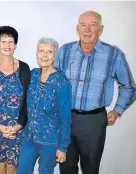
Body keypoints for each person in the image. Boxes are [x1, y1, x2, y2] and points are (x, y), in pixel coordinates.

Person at [54, 11, 136, 174]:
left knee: (90, 168)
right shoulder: (64, 51)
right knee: (66, 167)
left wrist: (117, 110)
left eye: (93, 25)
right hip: (65, 119)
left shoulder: (113, 54)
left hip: (94, 122)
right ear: (78, 28)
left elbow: (129, 87)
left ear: (101, 29)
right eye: (83, 25)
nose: (87, 30)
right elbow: (53, 82)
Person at [17, 37, 72, 174]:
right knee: (22, 171)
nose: (44, 55)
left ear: (55, 56)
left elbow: (66, 118)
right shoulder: (33, 74)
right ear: (36, 53)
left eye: (49, 52)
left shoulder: (62, 82)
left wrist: (63, 147)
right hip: (29, 137)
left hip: (50, 141)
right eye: (41, 51)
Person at [0, 26, 31, 174]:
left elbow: (27, 101)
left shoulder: (24, 68)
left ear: (15, 45)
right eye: (3, 41)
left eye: (11, 41)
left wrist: (18, 126)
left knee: (13, 167)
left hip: (17, 128)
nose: (7, 45)